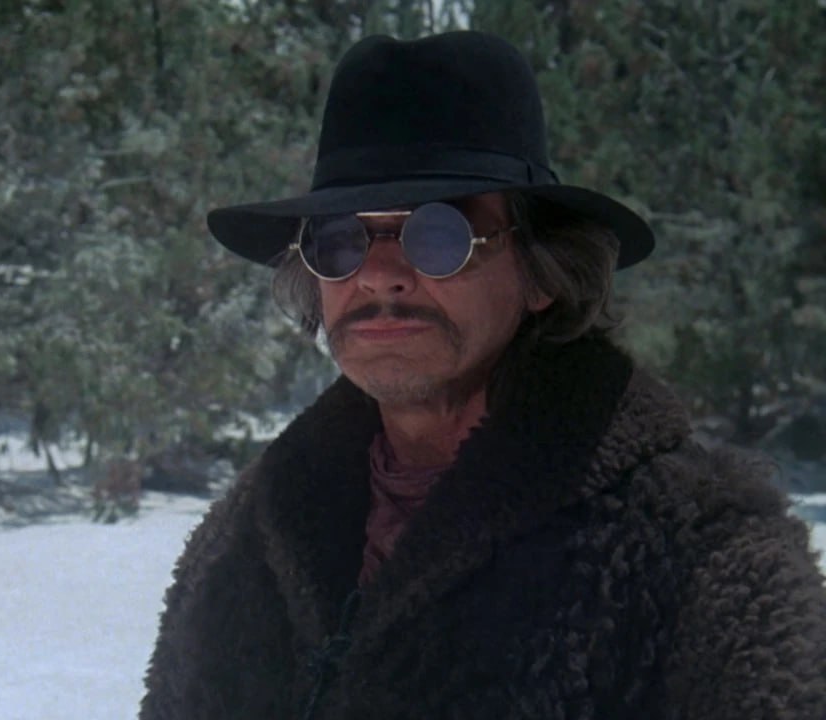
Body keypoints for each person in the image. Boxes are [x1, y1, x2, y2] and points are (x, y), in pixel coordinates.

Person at [139, 31, 826, 720]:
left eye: (438, 235)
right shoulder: (246, 541)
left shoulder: (700, 551)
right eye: (340, 239)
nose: (379, 274)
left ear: (542, 273)